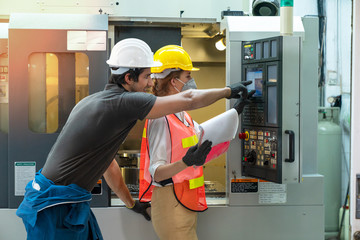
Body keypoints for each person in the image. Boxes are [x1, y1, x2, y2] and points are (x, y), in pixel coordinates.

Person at [16, 38, 250, 240]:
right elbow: (189, 98)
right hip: (55, 205)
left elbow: (108, 165)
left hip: (64, 201)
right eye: (147, 76)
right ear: (128, 78)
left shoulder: (94, 102)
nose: (151, 82)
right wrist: (228, 91)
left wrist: (132, 203)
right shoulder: (124, 102)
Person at [139, 45, 254, 240]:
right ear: (173, 81)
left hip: (183, 201)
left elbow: (205, 134)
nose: (192, 81)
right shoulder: (160, 118)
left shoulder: (182, 114)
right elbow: (156, 172)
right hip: (170, 202)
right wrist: (185, 162)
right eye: (188, 76)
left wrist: (236, 112)